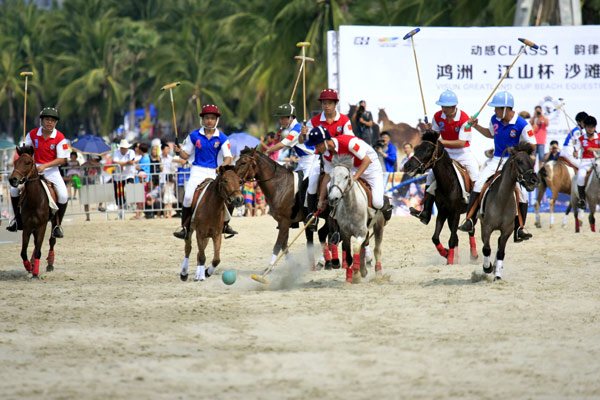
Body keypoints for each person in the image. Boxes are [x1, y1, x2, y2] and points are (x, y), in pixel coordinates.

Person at [458, 91, 537, 242]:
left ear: (506, 109)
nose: (495, 111)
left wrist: (516, 151)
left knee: (522, 194)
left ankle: (520, 228)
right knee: (478, 184)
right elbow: (490, 133)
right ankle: (469, 220)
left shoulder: (522, 124)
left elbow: (532, 145)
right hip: (496, 160)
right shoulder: (495, 119)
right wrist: (476, 126)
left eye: (497, 108)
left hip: (514, 163)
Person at [410, 90, 479, 225]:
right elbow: (436, 135)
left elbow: (460, 142)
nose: (444, 109)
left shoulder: (464, 119)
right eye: (442, 106)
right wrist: (430, 131)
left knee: (475, 177)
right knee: (431, 176)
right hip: (446, 152)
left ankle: (473, 214)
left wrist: (440, 142)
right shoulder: (437, 116)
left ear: (454, 106)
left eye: (447, 107)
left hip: (462, 153)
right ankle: (425, 211)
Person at [173, 104, 237, 239]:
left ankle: (225, 224)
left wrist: (223, 166)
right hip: (197, 171)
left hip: (214, 172)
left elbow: (228, 158)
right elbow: (186, 155)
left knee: (229, 196)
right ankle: (184, 227)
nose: (209, 121)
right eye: (207, 117)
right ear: (202, 119)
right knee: (188, 196)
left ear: (216, 120)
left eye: (212, 118)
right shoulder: (194, 135)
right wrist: (179, 152)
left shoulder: (222, 137)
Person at [305, 126, 392, 221]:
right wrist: (321, 200)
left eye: (317, 145)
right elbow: (327, 175)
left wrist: (355, 177)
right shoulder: (325, 154)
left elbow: (367, 160)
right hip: (353, 167)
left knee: (377, 203)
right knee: (331, 185)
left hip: (371, 168)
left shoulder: (348, 143)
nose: (316, 148)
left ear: (325, 141)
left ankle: (386, 203)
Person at [7, 107, 69, 238]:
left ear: (55, 122)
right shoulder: (32, 134)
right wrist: (24, 150)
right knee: (14, 190)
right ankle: (16, 219)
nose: (49, 122)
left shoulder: (59, 137)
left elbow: (62, 160)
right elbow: (26, 153)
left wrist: (45, 166)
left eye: (52, 120)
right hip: (32, 169)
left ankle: (57, 225)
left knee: (63, 195)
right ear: (42, 120)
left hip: (52, 171)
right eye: (47, 119)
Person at [299, 89, 354, 220]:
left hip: (341, 159)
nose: (326, 106)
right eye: (324, 103)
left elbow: (350, 140)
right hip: (320, 158)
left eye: (330, 103)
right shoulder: (314, 121)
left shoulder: (344, 120)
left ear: (335, 104)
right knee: (312, 182)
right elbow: (302, 141)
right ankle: (312, 215)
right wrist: (303, 134)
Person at [266, 103, 319, 218]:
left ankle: (311, 213)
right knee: (292, 185)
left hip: (311, 159)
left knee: (306, 186)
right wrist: (279, 134)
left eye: (282, 118)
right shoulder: (289, 128)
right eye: (279, 118)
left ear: (290, 118)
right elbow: (281, 140)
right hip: (302, 161)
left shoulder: (297, 130)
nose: (280, 120)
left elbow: (281, 145)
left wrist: (267, 152)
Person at [575, 115, 600, 209]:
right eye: (589, 127)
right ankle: (582, 199)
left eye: (593, 127)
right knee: (581, 177)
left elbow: (590, 149)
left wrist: (592, 149)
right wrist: (575, 151)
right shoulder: (581, 139)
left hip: (598, 160)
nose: (591, 129)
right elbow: (577, 150)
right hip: (586, 162)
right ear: (585, 127)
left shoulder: (599, 137)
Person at [111, 139, 136, 219]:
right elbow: (115, 162)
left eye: (125, 148)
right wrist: (125, 163)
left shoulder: (131, 152)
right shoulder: (116, 153)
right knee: (119, 195)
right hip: (118, 177)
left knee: (129, 189)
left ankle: (129, 204)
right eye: (123, 148)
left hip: (129, 175)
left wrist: (122, 164)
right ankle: (120, 213)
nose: (124, 150)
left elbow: (132, 162)